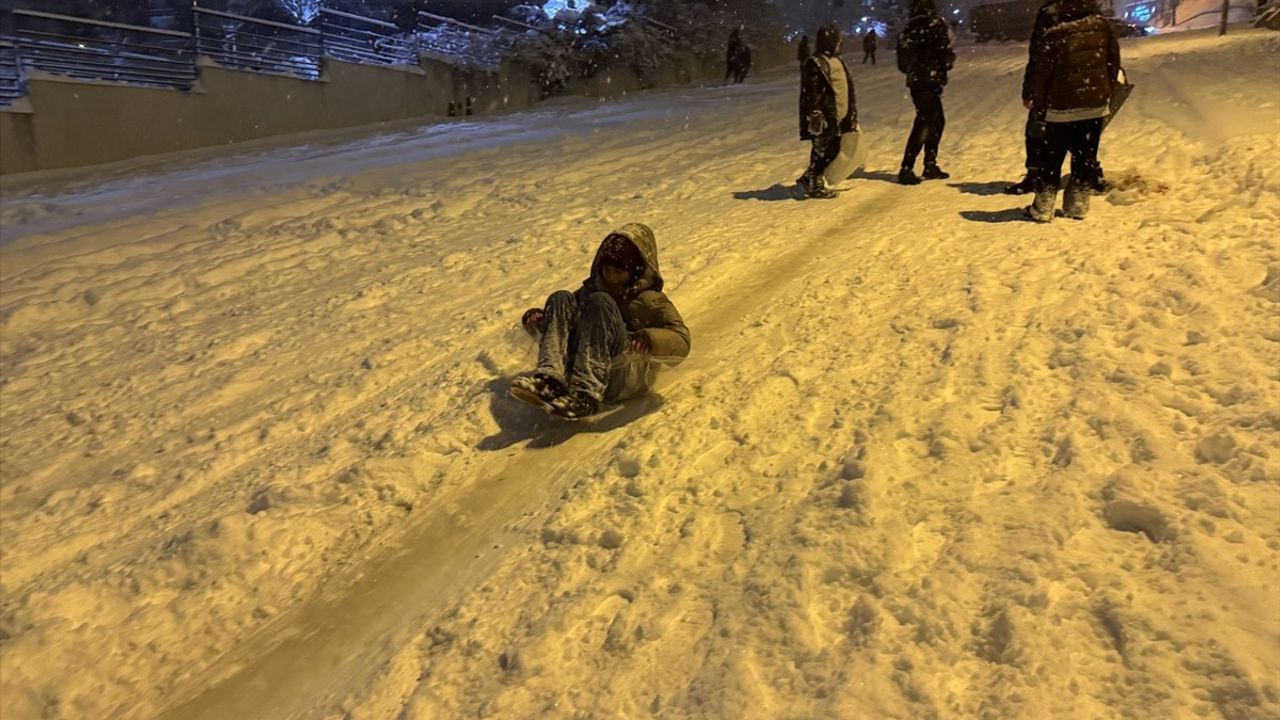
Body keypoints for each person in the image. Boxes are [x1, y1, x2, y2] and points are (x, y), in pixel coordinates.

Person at [511, 224, 691, 419]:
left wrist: (649, 338)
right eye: (607, 270)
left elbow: (681, 339)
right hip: (584, 365)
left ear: (635, 271)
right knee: (560, 298)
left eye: (619, 272)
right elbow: (567, 319)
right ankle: (551, 379)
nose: (611, 277)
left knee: (600, 302)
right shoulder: (592, 289)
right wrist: (540, 320)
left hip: (624, 377)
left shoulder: (650, 300)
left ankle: (586, 393)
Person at [1021, 0, 1120, 221]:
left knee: (1052, 157)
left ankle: (1043, 206)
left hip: (1061, 107)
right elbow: (1113, 62)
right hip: (1094, 106)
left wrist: (1035, 99)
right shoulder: (1102, 27)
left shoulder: (1054, 34)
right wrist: (1105, 90)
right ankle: (1078, 203)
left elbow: (1041, 71)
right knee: (1085, 155)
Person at [1006, 0, 1110, 195]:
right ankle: (1087, 176)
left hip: (1057, 86)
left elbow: (1039, 56)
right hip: (1090, 87)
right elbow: (1110, 55)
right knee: (1085, 134)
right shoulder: (1094, 14)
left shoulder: (1050, 13)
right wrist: (1106, 87)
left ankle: (1038, 178)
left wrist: (1031, 91)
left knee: (1040, 131)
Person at [895, 0, 955, 185]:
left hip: (917, 81)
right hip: (930, 80)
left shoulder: (907, 29)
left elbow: (902, 62)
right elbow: (944, 53)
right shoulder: (935, 24)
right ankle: (909, 167)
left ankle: (927, 164)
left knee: (932, 120)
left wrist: (915, 70)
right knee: (927, 122)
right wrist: (942, 65)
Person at [798, 23, 858, 199]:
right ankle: (814, 181)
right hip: (826, 115)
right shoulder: (815, 63)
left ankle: (810, 177)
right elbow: (812, 90)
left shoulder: (837, 61)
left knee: (833, 149)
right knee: (822, 150)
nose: (839, 44)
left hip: (839, 114)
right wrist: (816, 112)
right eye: (837, 41)